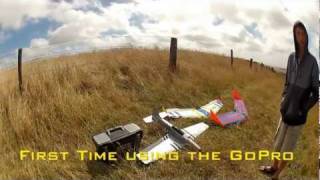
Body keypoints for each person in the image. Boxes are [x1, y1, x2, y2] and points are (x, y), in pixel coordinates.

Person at [259, 21, 319, 179]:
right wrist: (283, 98)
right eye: (297, 33)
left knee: (287, 148)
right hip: (286, 110)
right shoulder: (291, 57)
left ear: (307, 36)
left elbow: (315, 92)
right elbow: (286, 83)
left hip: (298, 116)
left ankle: (277, 174)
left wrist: (303, 109)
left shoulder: (313, 62)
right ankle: (273, 167)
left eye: (303, 33)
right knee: (278, 144)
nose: (300, 37)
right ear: (294, 36)